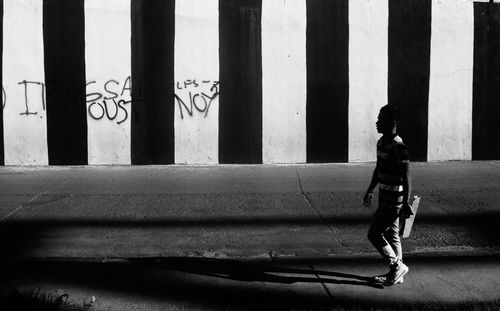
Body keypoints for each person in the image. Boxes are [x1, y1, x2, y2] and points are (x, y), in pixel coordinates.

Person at [363, 104, 413, 286]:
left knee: (374, 234)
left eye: (380, 120)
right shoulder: (382, 142)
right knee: (392, 235)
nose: (377, 123)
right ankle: (397, 274)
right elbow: (379, 168)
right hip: (384, 197)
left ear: (391, 122)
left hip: (395, 201)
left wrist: (406, 202)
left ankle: (396, 266)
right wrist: (370, 189)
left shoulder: (399, 146)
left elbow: (406, 175)